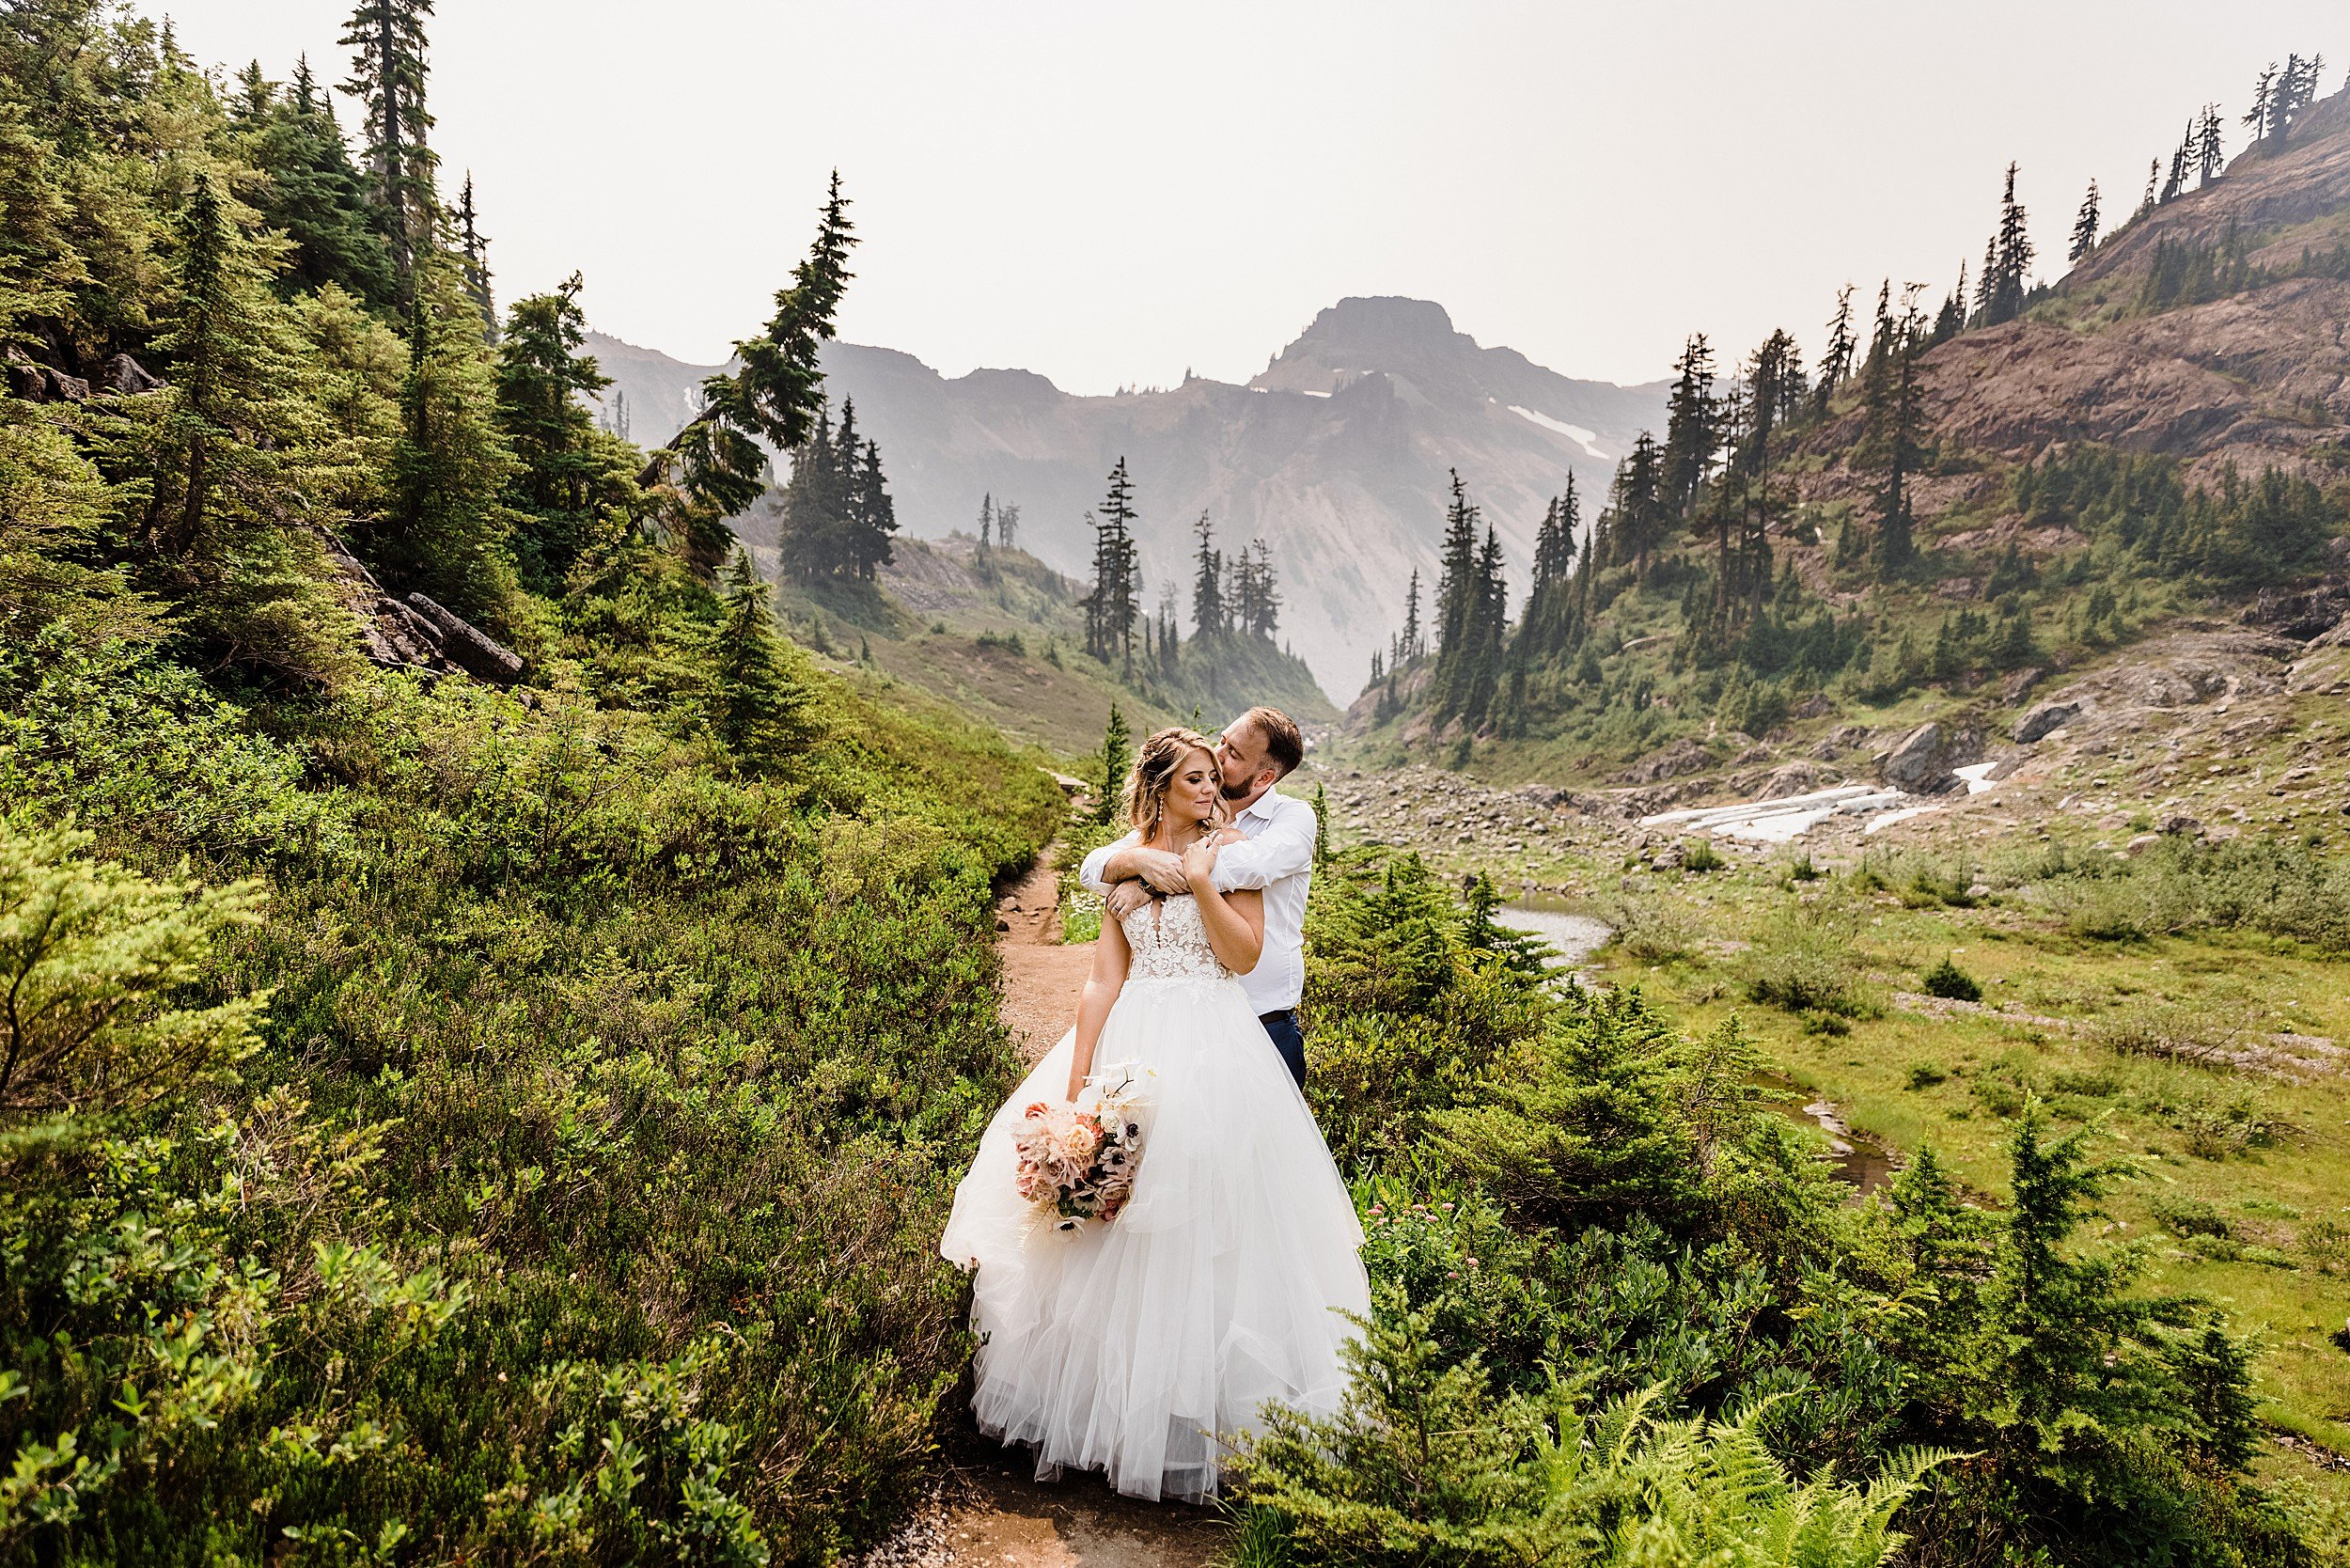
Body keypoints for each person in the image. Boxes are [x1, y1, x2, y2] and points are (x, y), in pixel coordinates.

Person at [938, 727, 1368, 1502]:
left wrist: (1203, 879)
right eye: (1198, 779)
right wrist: (1075, 1091)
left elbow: (1242, 957)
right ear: (1162, 784)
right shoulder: (1125, 861)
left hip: (1216, 1046)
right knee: (1108, 1222)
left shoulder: (1233, 852)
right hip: (1133, 1041)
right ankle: (1101, 1412)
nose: (1214, 790)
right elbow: (1102, 981)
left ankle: (1197, 1420)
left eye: (1218, 776)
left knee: (1207, 1230)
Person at [1080, 707, 1315, 1087]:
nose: (1219, 757)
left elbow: (1244, 866)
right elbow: (1093, 868)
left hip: (1262, 1022)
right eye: (1223, 741)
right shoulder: (1170, 828)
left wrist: (1147, 880)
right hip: (1161, 1030)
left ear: (1265, 776)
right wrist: (1139, 859)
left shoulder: (1292, 821)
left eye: (1233, 754)